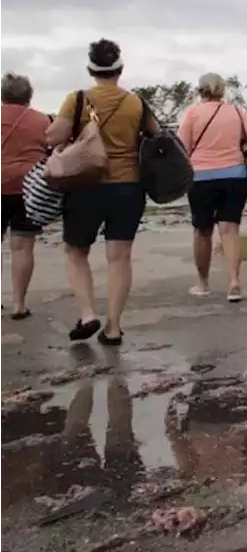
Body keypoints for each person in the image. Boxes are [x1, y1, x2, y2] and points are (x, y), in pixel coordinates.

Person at [45, 39, 159, 345]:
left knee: (75, 252)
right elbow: (156, 134)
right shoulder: (136, 102)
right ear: (120, 70)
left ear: (90, 70)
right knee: (119, 258)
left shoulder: (77, 99)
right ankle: (112, 327)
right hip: (128, 187)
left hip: (85, 186)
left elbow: (53, 135)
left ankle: (87, 314)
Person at [177, 72, 247, 302]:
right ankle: (234, 282)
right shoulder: (238, 112)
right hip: (235, 176)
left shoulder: (191, 113)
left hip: (200, 177)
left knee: (202, 231)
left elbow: (182, 147)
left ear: (201, 91)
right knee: (230, 230)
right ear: (222, 90)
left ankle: (203, 284)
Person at [0, 73, 49, 321]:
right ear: (29, 96)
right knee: (22, 246)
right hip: (29, 189)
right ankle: (19, 304)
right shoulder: (41, 120)